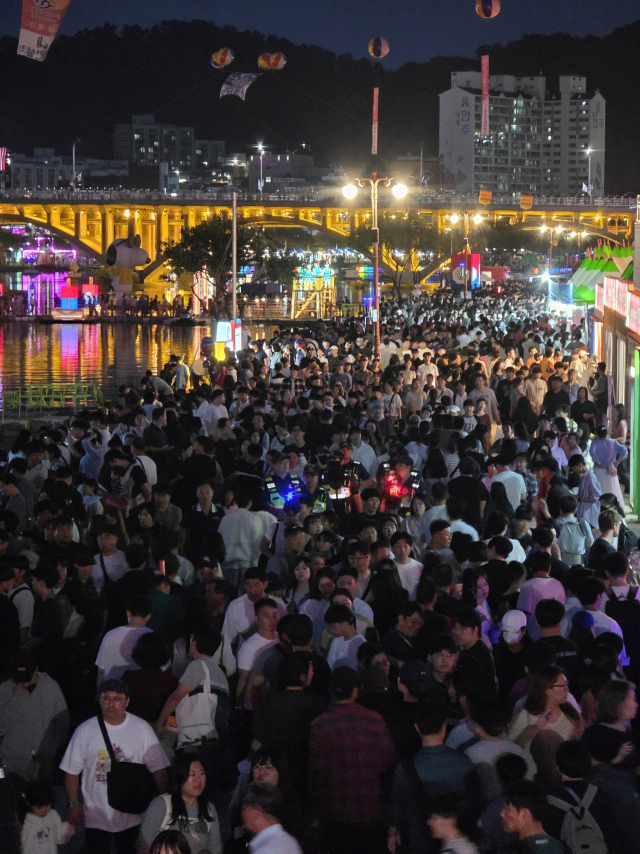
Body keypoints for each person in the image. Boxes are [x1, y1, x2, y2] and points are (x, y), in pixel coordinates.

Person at [60, 678, 169, 854]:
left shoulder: (141, 729)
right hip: (96, 814)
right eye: (106, 698)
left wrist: (161, 805)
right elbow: (72, 771)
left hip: (133, 815)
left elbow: (159, 769)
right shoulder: (85, 730)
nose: (111, 704)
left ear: (126, 701)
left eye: (117, 699)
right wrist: (73, 803)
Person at [309, 667, 396, 854]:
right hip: (370, 808)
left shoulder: (320, 724)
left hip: (335, 811)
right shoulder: (375, 720)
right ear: (356, 690)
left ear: (332, 690)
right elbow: (388, 761)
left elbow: (317, 770)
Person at [140, 752, 222, 854]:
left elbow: (215, 849)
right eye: (192, 774)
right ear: (180, 777)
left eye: (202, 773)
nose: (198, 779)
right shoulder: (161, 804)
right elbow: (144, 847)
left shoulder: (209, 809)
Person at [501, 781, 565, 854]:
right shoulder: (561, 847)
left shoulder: (516, 850)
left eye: (507, 809)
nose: (502, 814)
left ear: (524, 814)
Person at [242, 782, 303, 854]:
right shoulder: (289, 841)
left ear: (254, 813)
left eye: (244, 809)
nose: (242, 814)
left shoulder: (267, 850)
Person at [21, 780, 73, 854]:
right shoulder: (27, 823)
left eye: (47, 806)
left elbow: (59, 838)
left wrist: (69, 825)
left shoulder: (53, 815)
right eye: (39, 807)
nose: (44, 810)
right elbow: (26, 848)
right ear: (28, 804)